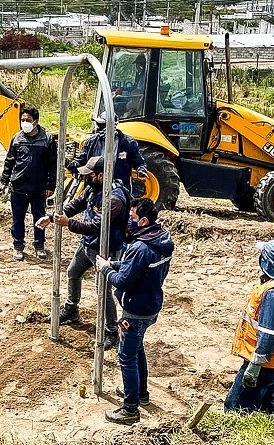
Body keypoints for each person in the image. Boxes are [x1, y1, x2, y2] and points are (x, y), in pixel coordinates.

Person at [36, 156, 131, 350]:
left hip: (106, 250)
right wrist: (52, 217)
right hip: (87, 245)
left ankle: (111, 330)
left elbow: (96, 226)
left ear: (101, 175)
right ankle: (72, 309)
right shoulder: (93, 188)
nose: (86, 178)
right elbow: (76, 205)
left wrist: (68, 223)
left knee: (103, 291)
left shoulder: (114, 199)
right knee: (73, 272)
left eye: (90, 175)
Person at [96, 198, 173, 424]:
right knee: (137, 349)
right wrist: (115, 264)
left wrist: (104, 270)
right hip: (151, 306)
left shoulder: (139, 248)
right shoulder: (161, 240)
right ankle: (141, 393)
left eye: (132, 218)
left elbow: (123, 281)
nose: (129, 221)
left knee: (126, 356)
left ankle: (130, 409)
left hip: (135, 311)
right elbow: (138, 268)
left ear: (144, 221)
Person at [225, 239, 274, 414]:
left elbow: (268, 334)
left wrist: (255, 366)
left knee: (236, 408)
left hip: (265, 361)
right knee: (265, 400)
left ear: (267, 262)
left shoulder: (273, 293)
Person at [0, 106, 58, 261]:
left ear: (36, 122)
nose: (24, 123)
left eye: (28, 120)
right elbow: (10, 161)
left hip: (39, 188)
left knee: (39, 218)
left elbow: (53, 164)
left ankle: (39, 246)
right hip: (19, 187)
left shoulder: (47, 139)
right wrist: (5, 180)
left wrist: (50, 186)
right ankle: (18, 246)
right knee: (18, 219)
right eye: (22, 120)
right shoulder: (17, 138)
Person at [66, 113, 149, 191]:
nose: (98, 128)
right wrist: (71, 164)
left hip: (118, 188)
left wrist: (141, 169)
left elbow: (140, 163)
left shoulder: (128, 143)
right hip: (95, 187)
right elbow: (82, 160)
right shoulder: (91, 142)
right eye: (98, 125)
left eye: (101, 125)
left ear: (112, 126)